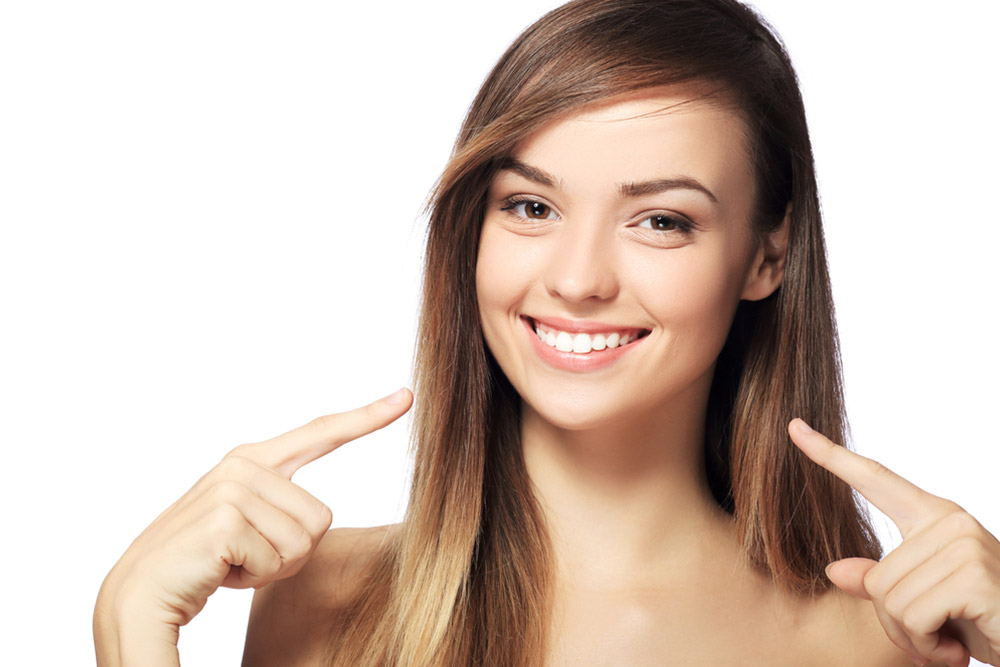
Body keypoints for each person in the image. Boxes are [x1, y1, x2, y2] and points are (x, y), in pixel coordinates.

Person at [93, 0, 1000, 665]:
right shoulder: (322, 599)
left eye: (662, 221)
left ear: (768, 256)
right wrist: (132, 633)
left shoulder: (871, 641)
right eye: (531, 205)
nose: (575, 278)